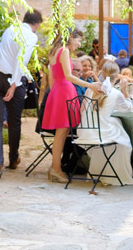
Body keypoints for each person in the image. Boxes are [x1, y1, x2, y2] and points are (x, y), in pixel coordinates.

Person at [0, 9, 42, 179]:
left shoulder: (10, 29)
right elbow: (20, 60)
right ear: (37, 25)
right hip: (14, 79)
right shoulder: (31, 36)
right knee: (14, 121)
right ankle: (12, 158)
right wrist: (14, 84)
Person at [40, 30, 101, 183]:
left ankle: (56, 167)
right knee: (62, 133)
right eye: (78, 40)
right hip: (64, 91)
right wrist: (90, 85)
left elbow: (52, 78)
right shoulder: (64, 51)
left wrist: (55, 93)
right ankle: (56, 168)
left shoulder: (53, 52)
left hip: (58, 91)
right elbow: (68, 75)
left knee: (60, 134)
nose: (79, 44)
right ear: (71, 38)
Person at [77, 61, 133, 185]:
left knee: (116, 123)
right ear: (118, 75)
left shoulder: (92, 87)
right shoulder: (116, 93)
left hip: (85, 131)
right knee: (124, 139)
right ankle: (115, 173)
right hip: (100, 134)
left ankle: (98, 171)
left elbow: (82, 109)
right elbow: (128, 108)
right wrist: (125, 91)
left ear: (102, 74)